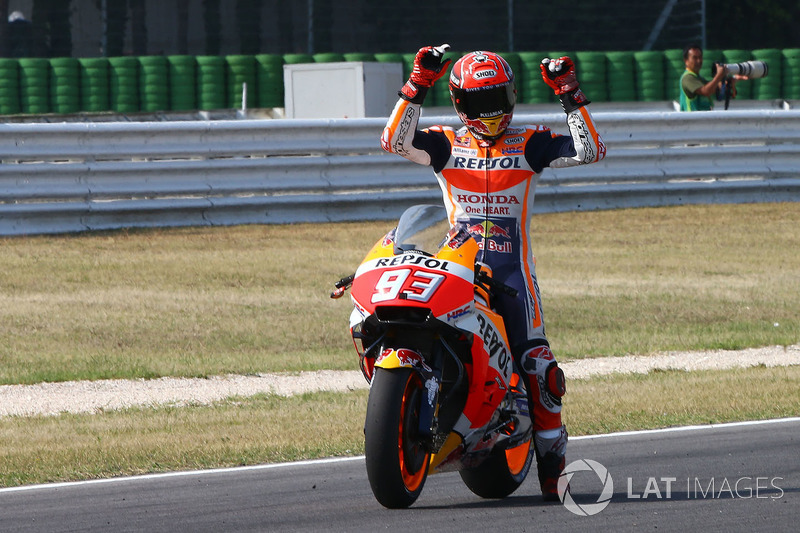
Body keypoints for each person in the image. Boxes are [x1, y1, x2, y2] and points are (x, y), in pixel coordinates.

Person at [381, 44, 606, 501]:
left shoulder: (530, 142)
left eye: (498, 100)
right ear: (461, 102)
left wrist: (568, 92)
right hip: (457, 266)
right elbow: (394, 142)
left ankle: (552, 474)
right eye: (480, 102)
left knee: (540, 370)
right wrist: (418, 81)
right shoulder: (445, 143)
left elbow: (591, 150)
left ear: (513, 97)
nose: (490, 112)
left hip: (512, 276)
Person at [680, 43, 748, 111]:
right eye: (695, 58)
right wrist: (719, 75)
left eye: (700, 57)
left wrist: (731, 80)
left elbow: (715, 88)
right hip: (692, 120)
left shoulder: (698, 78)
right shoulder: (687, 78)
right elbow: (706, 91)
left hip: (701, 119)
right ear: (686, 61)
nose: (699, 61)